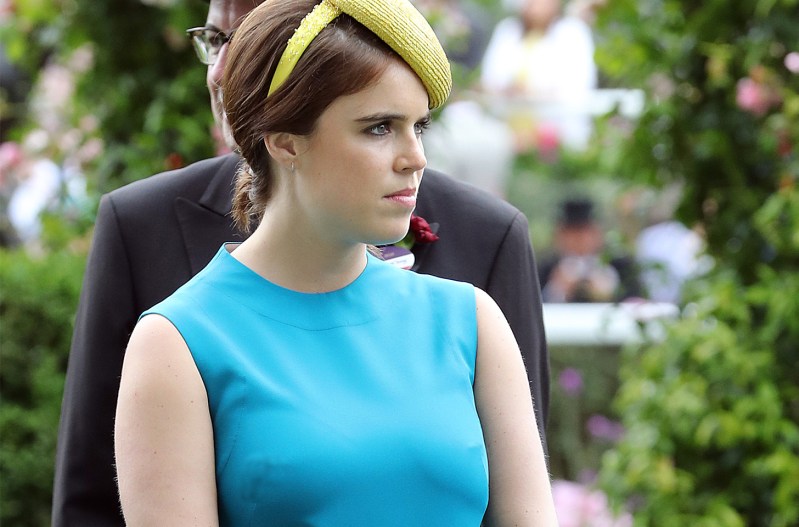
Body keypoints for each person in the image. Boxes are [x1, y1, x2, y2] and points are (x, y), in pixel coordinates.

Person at [51, 0, 551, 524]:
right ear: (285, 142)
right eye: (379, 127)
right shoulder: (177, 342)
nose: (415, 157)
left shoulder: (471, 320)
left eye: (418, 126)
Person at [479, 0, 597, 150]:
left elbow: (578, 87)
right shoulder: (508, 30)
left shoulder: (573, 32)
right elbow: (489, 79)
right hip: (504, 129)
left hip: (559, 132)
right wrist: (509, 89)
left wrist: (534, 93)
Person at [539, 198, 641, 303]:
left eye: (584, 232)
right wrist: (556, 289)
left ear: (597, 233)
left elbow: (636, 299)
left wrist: (610, 292)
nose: (579, 239)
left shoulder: (620, 264)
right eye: (571, 233)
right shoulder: (546, 268)